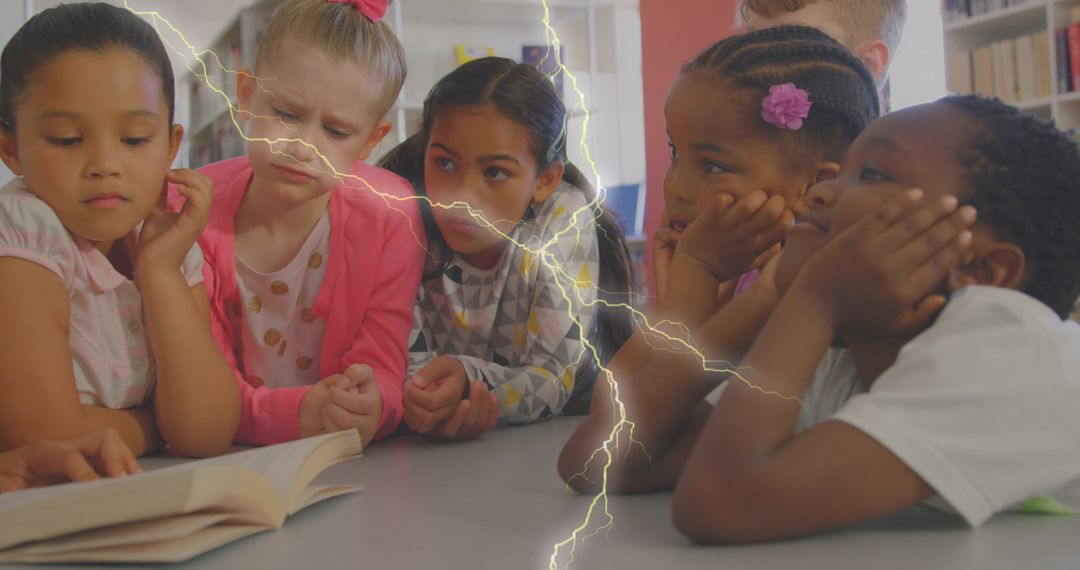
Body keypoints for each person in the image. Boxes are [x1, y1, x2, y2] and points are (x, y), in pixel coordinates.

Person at [0, 3, 240, 458]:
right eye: (67, 139)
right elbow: (49, 441)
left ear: (171, 146)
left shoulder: (165, 242)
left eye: (134, 139)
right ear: (11, 148)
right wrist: (155, 429)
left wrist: (160, 273)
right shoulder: (22, 231)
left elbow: (206, 431)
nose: (105, 166)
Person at [184, 0, 424, 446]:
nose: (303, 147)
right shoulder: (192, 209)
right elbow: (197, 386)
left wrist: (374, 403)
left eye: (336, 132)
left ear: (372, 139)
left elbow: (383, 364)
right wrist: (293, 415)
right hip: (221, 454)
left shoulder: (391, 214)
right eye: (287, 114)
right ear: (245, 95)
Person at [380, 57, 635, 440]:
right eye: (445, 162)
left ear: (545, 180)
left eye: (495, 172)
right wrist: (426, 402)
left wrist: (470, 383)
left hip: (561, 433)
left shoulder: (561, 219)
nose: (462, 198)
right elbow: (403, 368)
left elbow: (551, 377)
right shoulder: (402, 217)